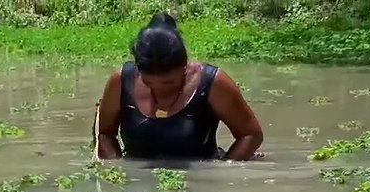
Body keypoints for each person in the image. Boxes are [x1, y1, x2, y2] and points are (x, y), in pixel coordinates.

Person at [94, 13, 263, 162]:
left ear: (185, 67)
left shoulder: (214, 83)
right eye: (148, 83)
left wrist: (222, 171)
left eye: (169, 83)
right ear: (138, 70)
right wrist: (116, 172)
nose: (159, 90)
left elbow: (250, 135)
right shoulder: (121, 81)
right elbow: (105, 135)